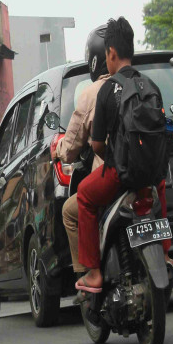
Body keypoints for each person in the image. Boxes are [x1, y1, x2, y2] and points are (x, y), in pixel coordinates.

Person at [76, 17, 171, 294]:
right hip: (151, 173)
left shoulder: (107, 89)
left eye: (106, 54)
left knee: (83, 195)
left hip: (121, 174)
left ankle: (94, 273)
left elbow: (95, 146)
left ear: (112, 54)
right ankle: (165, 255)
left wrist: (114, 156)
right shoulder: (151, 86)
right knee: (160, 187)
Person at [57, 26, 111, 275]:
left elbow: (70, 147)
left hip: (112, 176)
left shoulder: (91, 94)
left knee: (70, 211)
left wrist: (57, 150)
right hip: (147, 171)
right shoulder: (139, 83)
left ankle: (88, 274)